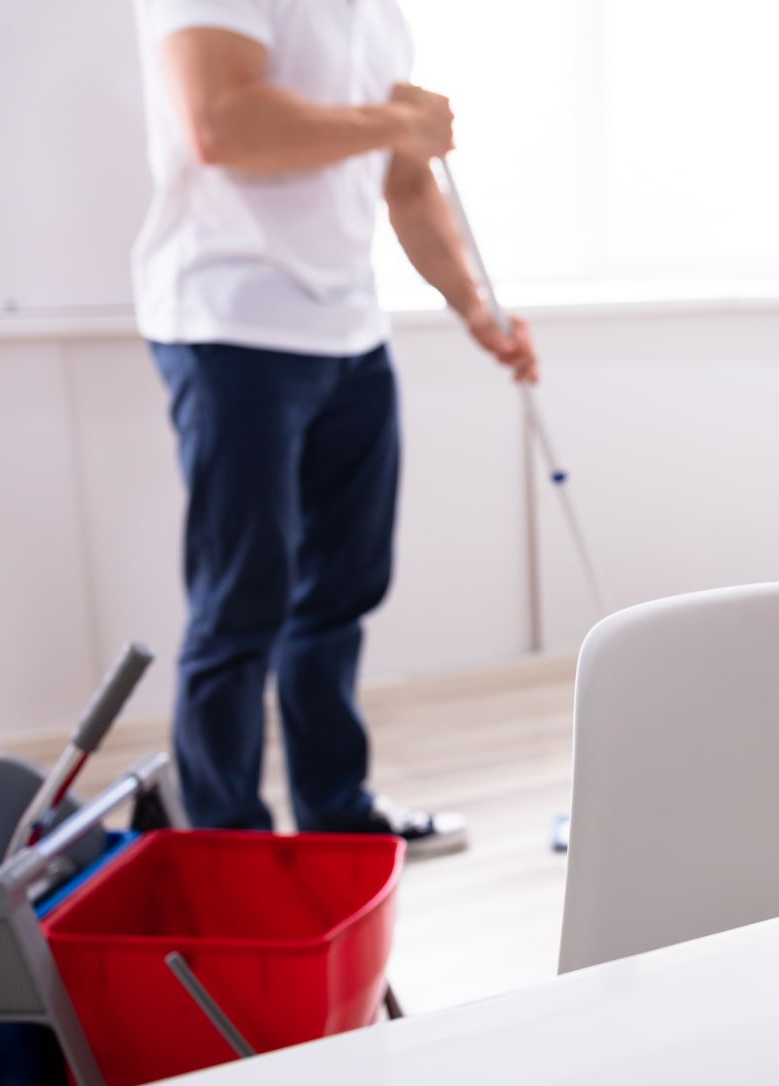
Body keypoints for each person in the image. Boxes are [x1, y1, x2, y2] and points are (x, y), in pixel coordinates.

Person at [133, 0, 538, 849]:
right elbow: (224, 124)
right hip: (231, 325)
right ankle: (227, 846)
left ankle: (336, 817)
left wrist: (474, 308)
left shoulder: (377, 15)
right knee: (241, 601)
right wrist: (398, 119)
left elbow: (405, 180)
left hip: (350, 335)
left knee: (340, 595)